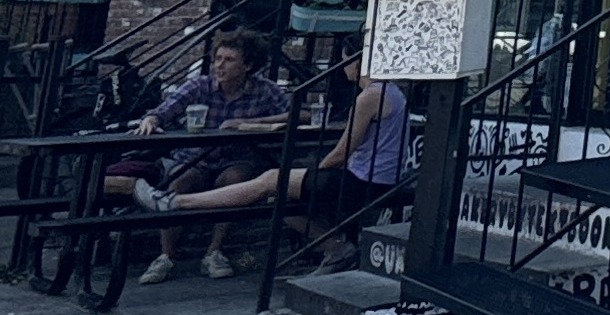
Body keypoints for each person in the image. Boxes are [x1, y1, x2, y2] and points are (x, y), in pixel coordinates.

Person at [135, 50, 411, 261]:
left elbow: (340, 153)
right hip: (376, 179)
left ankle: (175, 203)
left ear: (356, 62)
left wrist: (314, 175)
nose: (343, 67)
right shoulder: (393, 91)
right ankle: (336, 247)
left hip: (363, 182)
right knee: (276, 197)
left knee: (270, 179)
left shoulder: (369, 96)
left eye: (345, 60)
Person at [107, 35, 289, 283]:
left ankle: (214, 252)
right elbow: (164, 110)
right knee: (179, 182)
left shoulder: (264, 90)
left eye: (229, 60)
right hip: (194, 157)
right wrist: (151, 120)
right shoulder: (199, 86)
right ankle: (166, 256)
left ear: (247, 66)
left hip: (234, 158)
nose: (219, 66)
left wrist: (251, 122)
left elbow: (298, 114)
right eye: (217, 59)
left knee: (235, 181)